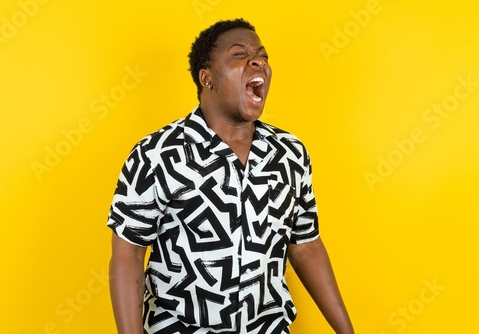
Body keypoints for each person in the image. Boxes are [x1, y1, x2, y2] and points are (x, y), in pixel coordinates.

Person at [107, 18, 354, 334]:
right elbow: (128, 256)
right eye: (240, 54)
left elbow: (305, 245)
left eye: (262, 55)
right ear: (207, 78)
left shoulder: (290, 154)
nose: (258, 61)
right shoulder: (155, 154)